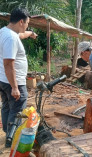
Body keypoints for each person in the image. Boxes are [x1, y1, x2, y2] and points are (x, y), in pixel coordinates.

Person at [0, 7, 37, 147]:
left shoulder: (5, 32)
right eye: (27, 23)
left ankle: (7, 130)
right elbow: (8, 63)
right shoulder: (11, 38)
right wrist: (15, 88)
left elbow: (21, 35)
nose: (27, 25)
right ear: (21, 21)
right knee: (17, 110)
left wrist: (31, 33)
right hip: (13, 83)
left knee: (7, 107)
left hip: (3, 80)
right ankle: (12, 140)